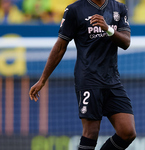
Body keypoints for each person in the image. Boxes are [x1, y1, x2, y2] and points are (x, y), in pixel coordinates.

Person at [29, 0, 136, 149]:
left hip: (112, 80)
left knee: (127, 132)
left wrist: (107, 28)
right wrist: (42, 80)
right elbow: (60, 47)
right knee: (91, 132)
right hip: (88, 79)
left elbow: (126, 42)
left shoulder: (118, 8)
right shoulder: (75, 10)